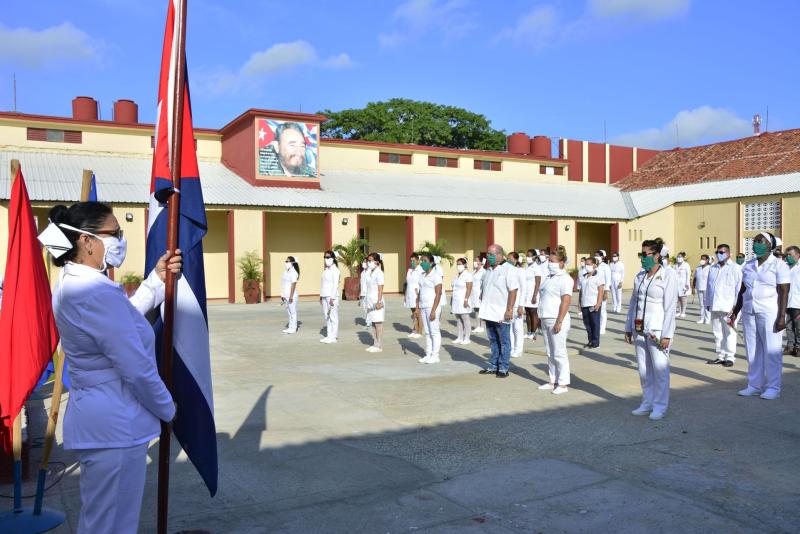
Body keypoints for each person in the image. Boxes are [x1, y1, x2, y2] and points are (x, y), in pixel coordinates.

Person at [44, 202, 179, 534]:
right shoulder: (93, 291)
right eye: (114, 232)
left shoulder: (77, 282)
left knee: (105, 521)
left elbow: (123, 322)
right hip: (115, 426)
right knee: (111, 525)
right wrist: (168, 408)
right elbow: (135, 367)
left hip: (103, 421)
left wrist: (155, 281)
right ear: (88, 241)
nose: (120, 238)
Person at [730, 232, 790, 399]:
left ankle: (773, 387)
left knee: (771, 351)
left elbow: (784, 292)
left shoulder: (778, 265)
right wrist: (735, 312)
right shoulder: (748, 265)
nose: (756, 244)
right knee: (753, 350)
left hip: (770, 312)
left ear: (770, 245)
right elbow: (743, 290)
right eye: (755, 241)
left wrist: (781, 317)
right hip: (750, 312)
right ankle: (754, 385)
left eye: (760, 241)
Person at [625, 238, 678, 420]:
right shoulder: (639, 276)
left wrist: (667, 334)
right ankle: (647, 402)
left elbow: (670, 307)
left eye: (646, 254)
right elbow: (633, 303)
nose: (643, 258)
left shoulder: (668, 276)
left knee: (660, 369)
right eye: (641, 254)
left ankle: (660, 406)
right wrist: (628, 327)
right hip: (639, 328)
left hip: (657, 330)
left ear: (657, 256)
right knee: (644, 369)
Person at [478, 244, 519, 378]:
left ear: (500, 254)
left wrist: (509, 310)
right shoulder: (488, 270)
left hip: (502, 313)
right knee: (493, 340)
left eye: (491, 253)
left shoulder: (509, 269)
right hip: (489, 312)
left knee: (504, 341)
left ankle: (503, 367)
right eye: (488, 253)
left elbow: (513, 291)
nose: (488, 256)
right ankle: (493, 365)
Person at [537, 246, 574, 394]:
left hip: (557, 319)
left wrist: (559, 321)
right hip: (545, 317)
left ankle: (563, 383)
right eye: (548, 260)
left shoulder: (565, 279)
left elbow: (566, 301)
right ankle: (553, 381)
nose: (549, 263)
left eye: (552, 260)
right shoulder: (548, 277)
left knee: (559, 352)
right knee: (550, 352)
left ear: (561, 262)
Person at [705, 244, 743, 367]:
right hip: (715, 305)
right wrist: (708, 303)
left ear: (728, 253)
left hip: (728, 307)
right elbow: (709, 287)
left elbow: (739, 290)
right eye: (718, 252)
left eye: (722, 252)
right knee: (717, 332)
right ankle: (720, 355)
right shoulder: (713, 268)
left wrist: (735, 308)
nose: (719, 254)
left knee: (729, 333)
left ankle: (730, 357)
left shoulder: (735, 268)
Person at [417, 253, 444, 363]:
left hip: (432, 307)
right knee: (427, 332)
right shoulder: (422, 275)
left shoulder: (436, 276)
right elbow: (420, 292)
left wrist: (433, 311)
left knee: (434, 331)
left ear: (431, 263)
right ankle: (428, 354)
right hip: (423, 306)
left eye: (425, 261)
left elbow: (438, 294)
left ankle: (435, 355)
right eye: (421, 260)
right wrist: (418, 307)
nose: (422, 263)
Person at [579, 257, 604, 349]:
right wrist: (579, 302)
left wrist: (598, 303)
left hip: (593, 303)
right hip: (585, 303)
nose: (587, 266)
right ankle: (590, 340)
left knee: (595, 323)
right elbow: (581, 290)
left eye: (589, 264)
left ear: (594, 265)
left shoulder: (598, 275)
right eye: (586, 264)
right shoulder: (584, 276)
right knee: (587, 323)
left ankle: (595, 342)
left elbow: (601, 291)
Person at [365, 252, 386, 352]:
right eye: (368, 260)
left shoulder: (379, 273)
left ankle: (379, 345)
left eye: (370, 261)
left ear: (376, 262)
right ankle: (375, 343)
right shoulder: (370, 272)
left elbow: (380, 289)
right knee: (373, 322)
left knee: (378, 323)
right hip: (370, 301)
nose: (368, 262)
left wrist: (378, 302)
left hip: (377, 301)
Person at [508, 251, 527, 358]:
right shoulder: (508, 270)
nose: (508, 260)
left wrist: (521, 305)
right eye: (508, 258)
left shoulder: (520, 271)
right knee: (509, 327)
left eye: (510, 258)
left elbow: (524, 288)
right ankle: (511, 348)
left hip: (517, 302)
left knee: (517, 327)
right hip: (509, 303)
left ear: (516, 259)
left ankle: (518, 349)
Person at [451, 257, 474, 344]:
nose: (458, 266)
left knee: (465, 318)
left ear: (465, 265)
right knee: (458, 319)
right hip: (456, 300)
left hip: (463, 299)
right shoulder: (456, 276)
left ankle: (467, 338)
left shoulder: (468, 275)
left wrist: (466, 300)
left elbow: (469, 288)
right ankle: (460, 337)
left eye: (460, 264)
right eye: (457, 264)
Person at [319, 250, 340, 343]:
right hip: (324, 295)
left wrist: (332, 297)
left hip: (332, 296)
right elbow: (323, 284)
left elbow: (335, 285)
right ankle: (329, 335)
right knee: (327, 316)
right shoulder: (326, 270)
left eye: (328, 257)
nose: (326, 259)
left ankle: (334, 337)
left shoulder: (336, 271)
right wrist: (321, 296)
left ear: (333, 259)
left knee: (333, 316)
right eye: (325, 257)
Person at [523, 249, 543, 340]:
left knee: (533, 312)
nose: (528, 257)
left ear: (534, 257)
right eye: (527, 255)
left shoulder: (537, 267)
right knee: (527, 312)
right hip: (526, 293)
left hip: (533, 293)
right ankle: (529, 331)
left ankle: (534, 332)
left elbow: (538, 282)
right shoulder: (527, 266)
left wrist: (534, 295)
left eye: (530, 256)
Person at [785, 245, 800, 357]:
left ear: (798, 255)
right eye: (787, 255)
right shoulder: (785, 267)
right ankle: (790, 347)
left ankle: (798, 347)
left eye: (790, 255)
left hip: (797, 303)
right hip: (787, 303)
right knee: (789, 327)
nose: (788, 257)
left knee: (798, 327)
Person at [405, 253, 424, 339]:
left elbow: (421, 283)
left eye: (413, 260)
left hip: (417, 293)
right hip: (410, 293)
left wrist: (419, 293)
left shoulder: (420, 270)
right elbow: (408, 283)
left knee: (418, 312)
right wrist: (405, 295)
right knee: (413, 313)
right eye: (411, 261)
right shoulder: (409, 270)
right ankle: (415, 329)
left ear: (418, 261)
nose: (412, 262)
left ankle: (420, 331)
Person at [594, 250, 612, 335]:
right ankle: (597, 326)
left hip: (603, 290)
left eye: (597, 255)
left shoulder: (605, 267)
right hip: (594, 291)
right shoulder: (594, 266)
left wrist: (606, 291)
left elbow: (608, 280)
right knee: (595, 309)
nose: (596, 257)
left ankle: (602, 327)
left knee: (602, 310)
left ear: (602, 257)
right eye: (595, 255)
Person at [281, 256, 300, 334]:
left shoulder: (294, 272)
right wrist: (282, 294)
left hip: (291, 296)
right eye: (286, 261)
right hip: (285, 295)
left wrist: (291, 296)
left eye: (288, 261)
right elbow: (283, 284)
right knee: (289, 312)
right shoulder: (285, 272)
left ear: (292, 263)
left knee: (293, 312)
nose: (286, 263)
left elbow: (293, 285)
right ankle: (290, 327)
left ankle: (294, 328)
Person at [470, 256, 486, 333]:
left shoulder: (483, 271)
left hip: (479, 293)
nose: (475, 262)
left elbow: (484, 283)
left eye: (476, 261)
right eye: (474, 260)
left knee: (480, 309)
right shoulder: (473, 271)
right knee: (476, 309)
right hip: (473, 293)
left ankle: (481, 326)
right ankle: (478, 325)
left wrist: (482, 292)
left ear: (480, 262)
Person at [694, 255, 712, 324]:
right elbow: (695, 278)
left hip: (707, 288)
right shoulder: (698, 268)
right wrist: (693, 287)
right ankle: (702, 318)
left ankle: (707, 319)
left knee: (707, 304)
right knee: (701, 304)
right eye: (701, 259)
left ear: (707, 260)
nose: (702, 260)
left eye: (704, 259)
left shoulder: (710, 268)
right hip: (699, 287)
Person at [674, 252, 691, 318]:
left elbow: (688, 274)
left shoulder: (686, 265)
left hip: (683, 284)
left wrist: (687, 283)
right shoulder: (675, 265)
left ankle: (683, 312)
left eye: (680, 257)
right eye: (678, 257)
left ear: (683, 258)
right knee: (678, 298)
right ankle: (679, 311)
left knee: (683, 298)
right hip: (676, 284)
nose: (679, 258)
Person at [359, 259, 370, 328]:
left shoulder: (370, 272)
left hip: (368, 293)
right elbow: (361, 284)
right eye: (363, 262)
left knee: (369, 307)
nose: (364, 263)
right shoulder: (362, 273)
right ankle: (369, 320)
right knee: (365, 307)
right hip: (363, 293)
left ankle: (369, 322)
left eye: (365, 262)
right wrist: (359, 293)